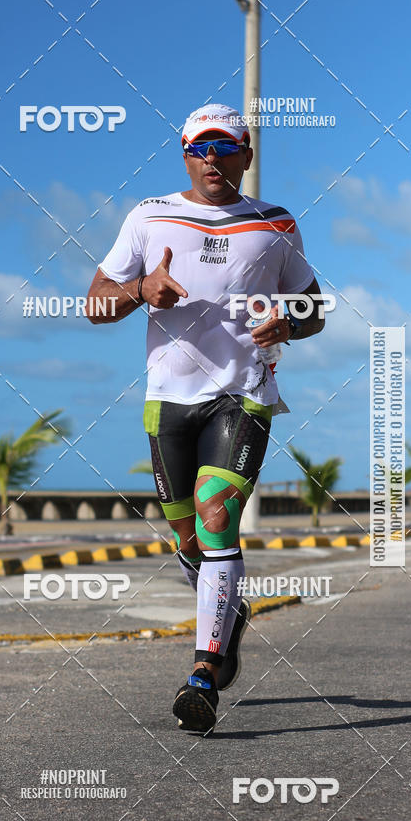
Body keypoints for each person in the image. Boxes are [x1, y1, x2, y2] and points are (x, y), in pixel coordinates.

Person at [86, 103, 325, 733]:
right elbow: (95, 305)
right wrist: (141, 291)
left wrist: (291, 325)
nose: (211, 160)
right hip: (169, 399)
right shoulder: (148, 217)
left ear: (246, 154)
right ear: (185, 155)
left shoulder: (276, 225)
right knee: (189, 540)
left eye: (224, 148)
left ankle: (203, 674)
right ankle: (229, 612)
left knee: (217, 513)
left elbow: (315, 307)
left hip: (243, 392)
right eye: (199, 149)